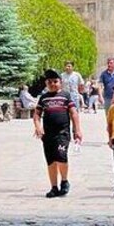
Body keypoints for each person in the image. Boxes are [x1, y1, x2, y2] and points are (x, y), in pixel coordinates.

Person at [34, 69, 83, 198]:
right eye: (50, 82)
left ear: (60, 82)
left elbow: (73, 113)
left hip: (62, 133)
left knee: (61, 157)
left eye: (55, 81)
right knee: (51, 161)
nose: (53, 84)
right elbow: (37, 115)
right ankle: (54, 187)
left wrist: (77, 130)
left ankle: (64, 181)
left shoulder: (66, 96)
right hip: (48, 135)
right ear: (46, 83)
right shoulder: (44, 98)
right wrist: (38, 127)